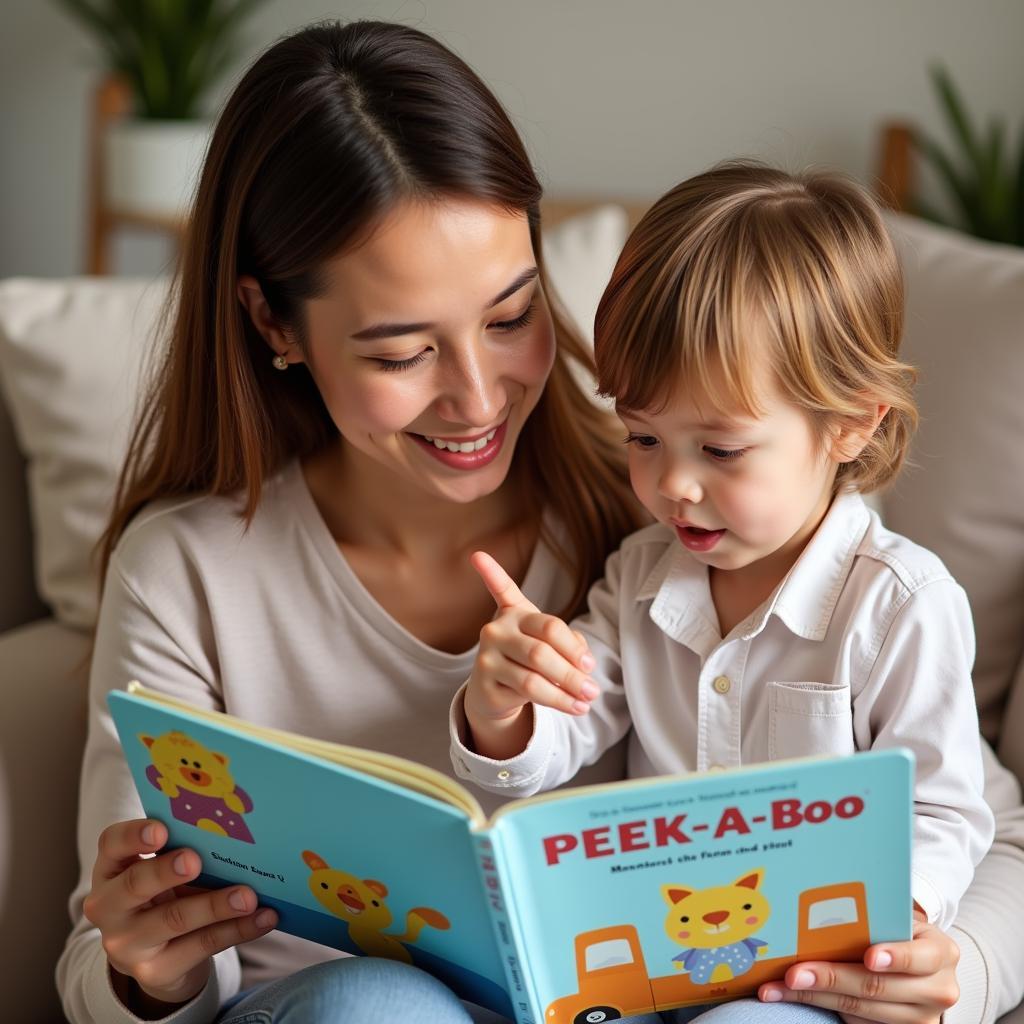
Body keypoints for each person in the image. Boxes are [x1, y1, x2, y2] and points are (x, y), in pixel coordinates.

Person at [53, 18, 1020, 1024]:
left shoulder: (651, 516)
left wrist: (953, 971)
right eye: (399, 352)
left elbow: (974, 819)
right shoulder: (187, 573)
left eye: (511, 317)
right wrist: (145, 968)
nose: (477, 399)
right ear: (271, 323)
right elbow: (99, 955)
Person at [452, 164, 1000, 1019]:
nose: (673, 486)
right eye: (642, 436)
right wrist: (508, 707)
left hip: (803, 974)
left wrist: (900, 927)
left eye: (721, 450)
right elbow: (565, 733)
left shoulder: (901, 604)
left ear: (852, 424)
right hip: (655, 955)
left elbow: (944, 810)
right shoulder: (639, 574)